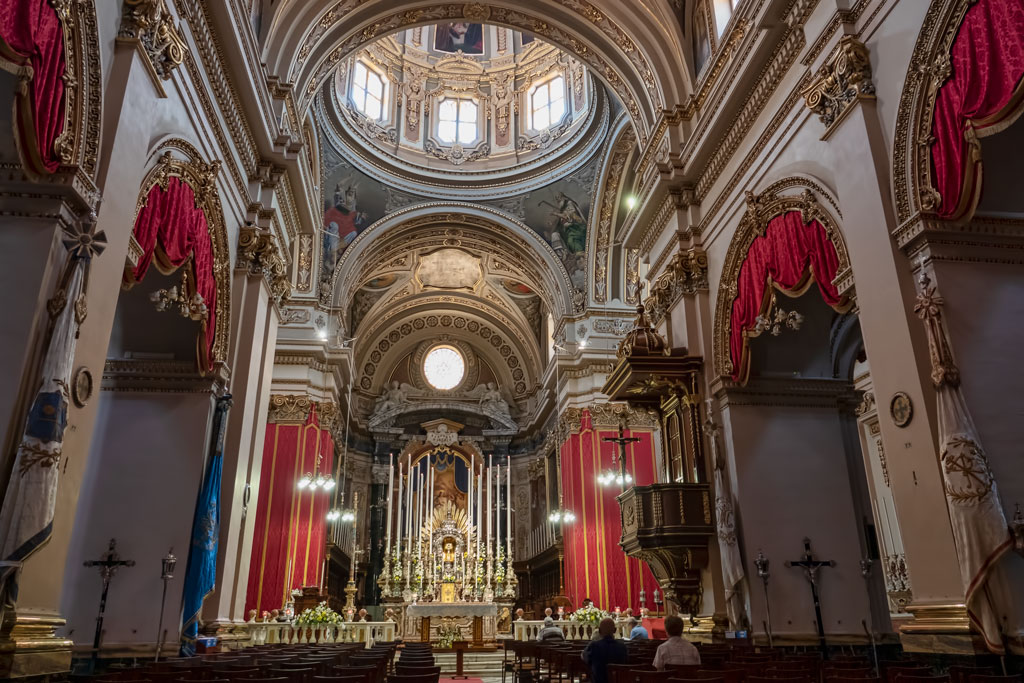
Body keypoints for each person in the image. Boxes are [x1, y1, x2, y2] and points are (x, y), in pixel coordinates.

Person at [582, 618, 628, 683]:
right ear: (615, 630)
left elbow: (585, 658)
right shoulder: (622, 647)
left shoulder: (594, 646)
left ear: (599, 631)